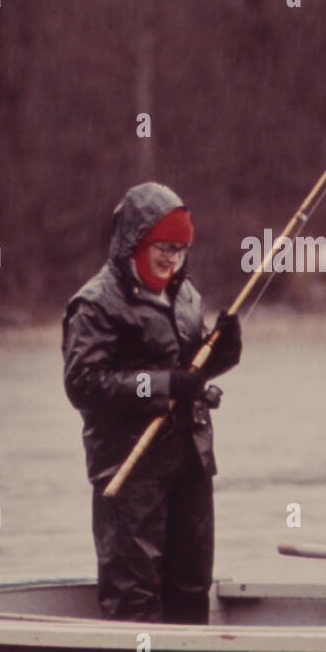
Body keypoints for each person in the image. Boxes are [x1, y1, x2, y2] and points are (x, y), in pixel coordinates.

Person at [62, 182, 241, 623]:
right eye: (164, 247)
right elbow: (85, 385)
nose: (173, 259)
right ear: (134, 243)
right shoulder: (95, 304)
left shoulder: (186, 295)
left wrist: (224, 352)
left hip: (191, 462)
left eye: (181, 249)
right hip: (129, 469)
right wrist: (160, 385)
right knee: (134, 596)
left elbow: (190, 375)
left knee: (190, 588)